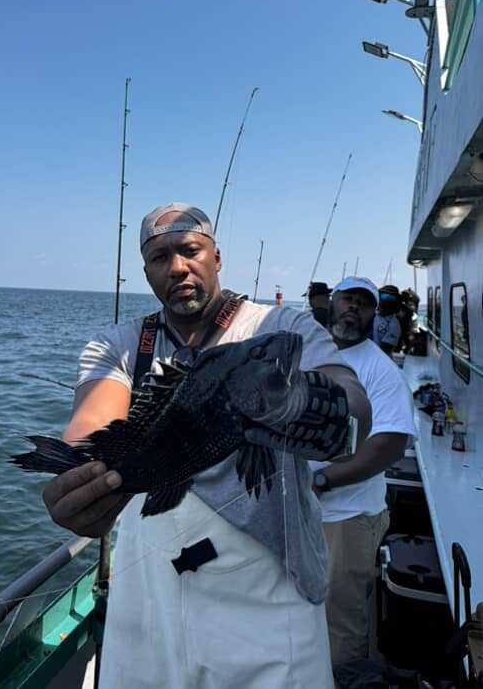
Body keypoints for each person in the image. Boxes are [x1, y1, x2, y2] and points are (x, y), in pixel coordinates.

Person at [42, 203, 371, 688]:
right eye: (159, 257)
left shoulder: (285, 329)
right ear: (146, 271)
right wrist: (77, 482)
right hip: (147, 597)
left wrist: (308, 402)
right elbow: (92, 424)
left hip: (270, 596)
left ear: (216, 257)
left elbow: (355, 405)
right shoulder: (118, 345)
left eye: (190, 250)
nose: (177, 266)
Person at [309, 276, 417, 665]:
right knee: (299, 605)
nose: (354, 307)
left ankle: (345, 678)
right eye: (347, 299)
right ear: (331, 302)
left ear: (373, 314)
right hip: (302, 509)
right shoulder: (309, 349)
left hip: (348, 518)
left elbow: (390, 446)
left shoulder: (381, 370)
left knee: (341, 615)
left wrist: (323, 480)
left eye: (364, 303)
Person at [372, 284, 402, 356]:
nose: (386, 300)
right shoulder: (370, 315)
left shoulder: (394, 325)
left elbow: (383, 350)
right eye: (383, 296)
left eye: (391, 298)